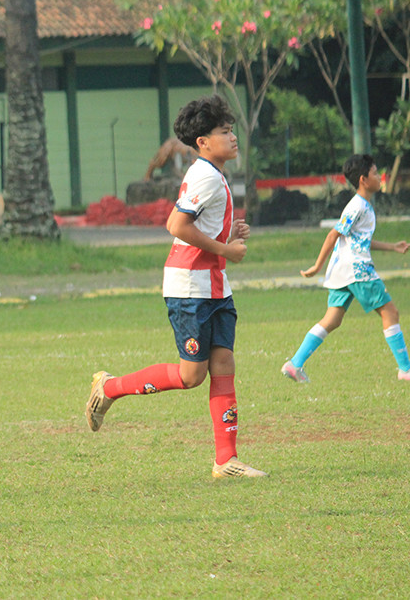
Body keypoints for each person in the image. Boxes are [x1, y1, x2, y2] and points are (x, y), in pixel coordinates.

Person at [84, 95, 267, 479]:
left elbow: (198, 226)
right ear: (203, 142)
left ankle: (226, 460)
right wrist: (226, 250)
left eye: (231, 130)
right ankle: (110, 387)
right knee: (190, 376)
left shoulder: (214, 173)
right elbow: (176, 226)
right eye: (225, 132)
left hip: (215, 286)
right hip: (190, 287)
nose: (233, 137)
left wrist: (228, 235)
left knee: (224, 364)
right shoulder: (205, 176)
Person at [281, 154, 410, 383]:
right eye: (375, 173)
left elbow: (359, 240)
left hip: (343, 270)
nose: (379, 177)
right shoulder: (358, 206)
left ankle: (295, 364)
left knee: (332, 319)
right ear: (363, 179)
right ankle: (406, 370)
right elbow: (334, 234)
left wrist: (393, 247)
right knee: (390, 312)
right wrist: (317, 266)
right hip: (358, 269)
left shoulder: (363, 205)